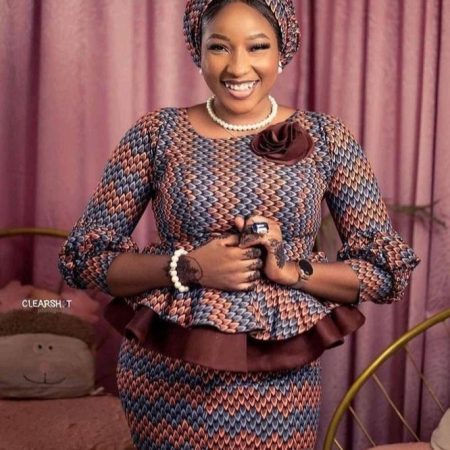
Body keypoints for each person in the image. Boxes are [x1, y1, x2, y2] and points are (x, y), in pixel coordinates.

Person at [58, 0, 420, 448]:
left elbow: (384, 271)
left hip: (280, 377)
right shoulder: (156, 134)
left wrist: (292, 272)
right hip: (167, 374)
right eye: (219, 47)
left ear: (283, 50)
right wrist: (188, 267)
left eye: (257, 46)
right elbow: (84, 258)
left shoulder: (328, 138)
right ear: (197, 49)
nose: (237, 66)